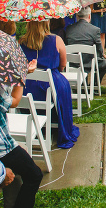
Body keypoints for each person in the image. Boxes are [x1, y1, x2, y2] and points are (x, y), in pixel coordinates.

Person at [20, 20, 80, 149]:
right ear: (46, 23)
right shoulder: (56, 40)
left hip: (28, 85)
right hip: (50, 83)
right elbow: (62, 65)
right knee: (63, 86)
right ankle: (61, 124)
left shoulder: (21, 41)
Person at [65, 6, 106, 79]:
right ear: (89, 16)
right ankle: (94, 84)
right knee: (105, 63)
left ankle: (82, 85)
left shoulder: (69, 29)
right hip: (89, 63)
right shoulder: (95, 30)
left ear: (77, 16)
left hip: (72, 64)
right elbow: (100, 50)